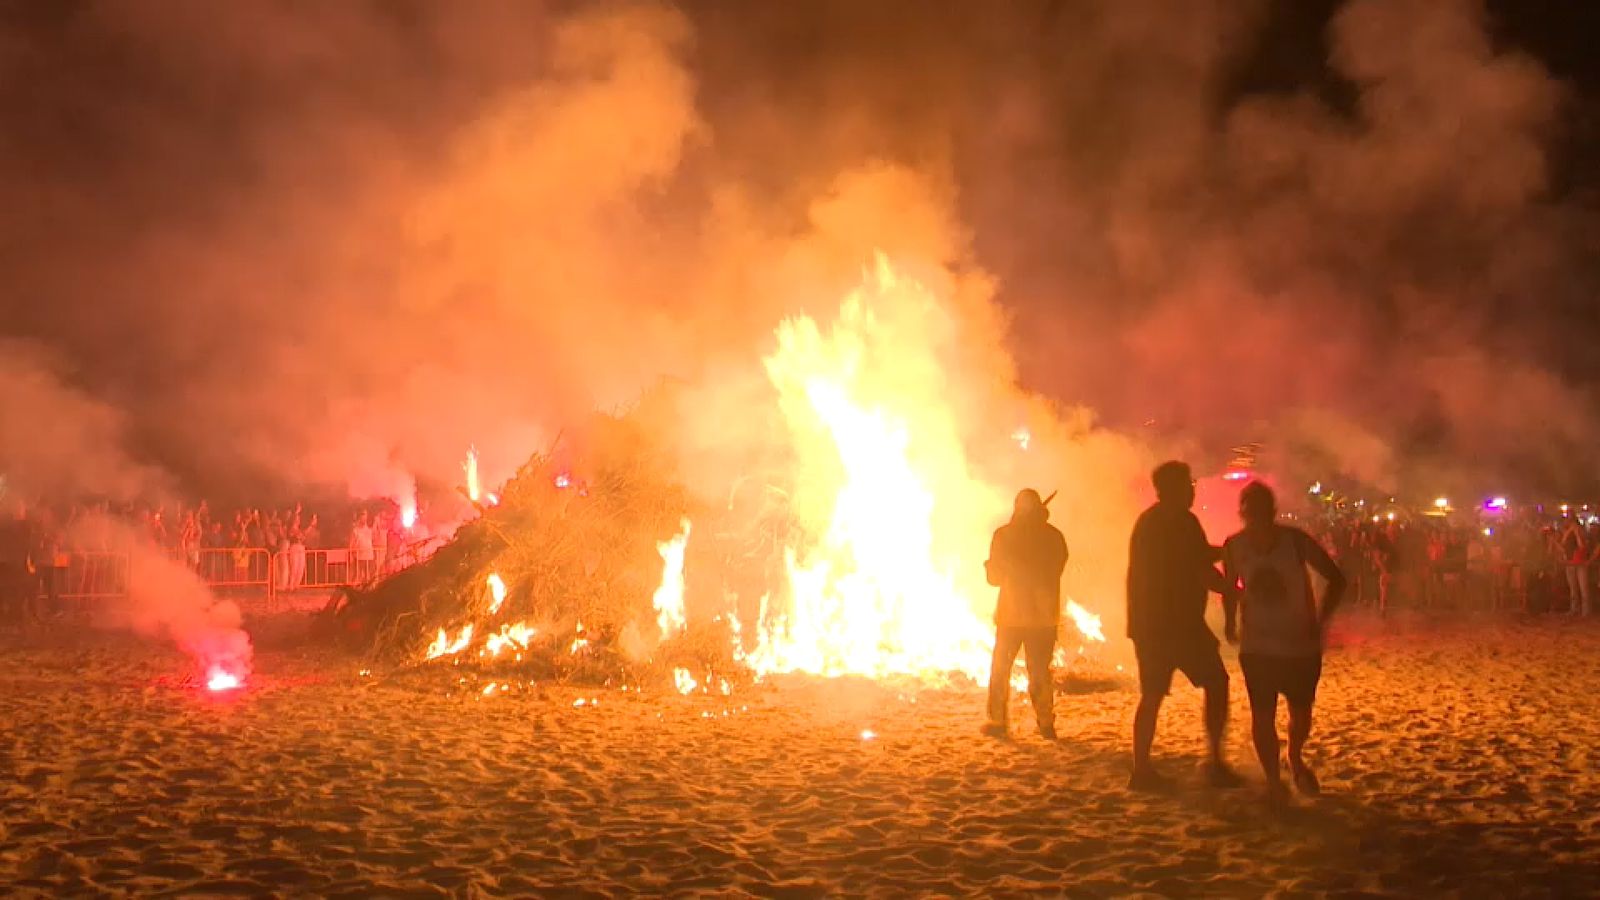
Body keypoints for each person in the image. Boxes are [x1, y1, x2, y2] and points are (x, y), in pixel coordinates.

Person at [1222, 482, 1347, 807]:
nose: (1256, 519)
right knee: (1262, 715)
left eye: (1262, 512)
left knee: (1301, 715)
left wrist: (1320, 621)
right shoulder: (1234, 545)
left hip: (1299, 646)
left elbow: (1336, 578)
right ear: (1243, 514)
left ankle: (1294, 756)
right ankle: (1274, 782)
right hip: (1258, 646)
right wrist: (1230, 621)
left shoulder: (1295, 541)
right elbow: (1230, 586)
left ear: (1272, 513)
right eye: (1250, 513)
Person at [1126, 461, 1241, 791]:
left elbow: (1200, 558)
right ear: (1173, 489)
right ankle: (1211, 762)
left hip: (1162, 624)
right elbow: (1199, 566)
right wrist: (1233, 584)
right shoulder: (1167, 524)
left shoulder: (1166, 521)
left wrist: (1227, 556)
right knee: (1212, 683)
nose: (1193, 490)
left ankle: (1143, 768)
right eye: (1188, 485)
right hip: (1169, 625)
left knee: (1155, 694)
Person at [982, 489, 1069, 740]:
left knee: (1001, 668)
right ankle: (1045, 723)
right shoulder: (1053, 536)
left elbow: (995, 578)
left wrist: (993, 566)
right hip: (1043, 618)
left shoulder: (1004, 535)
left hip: (1012, 617)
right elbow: (1056, 570)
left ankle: (998, 721)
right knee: (1039, 671)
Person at [1559, 518, 1589, 616]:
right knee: (1573, 589)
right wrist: (1569, 532)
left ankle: (1585, 611)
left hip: (1580, 563)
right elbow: (1563, 544)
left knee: (1583, 588)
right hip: (1570, 563)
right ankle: (1574, 609)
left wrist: (1576, 533)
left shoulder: (1581, 535)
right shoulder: (1567, 535)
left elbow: (1581, 546)